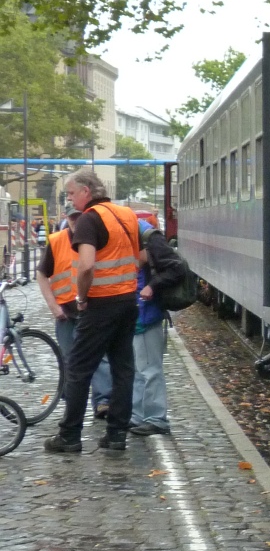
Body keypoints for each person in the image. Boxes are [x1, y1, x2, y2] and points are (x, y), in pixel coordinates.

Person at [43, 170, 141, 454]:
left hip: (100, 304)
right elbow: (140, 257)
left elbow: (86, 265)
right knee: (123, 369)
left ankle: (69, 435)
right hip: (127, 302)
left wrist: (81, 297)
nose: (70, 199)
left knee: (78, 368)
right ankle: (116, 435)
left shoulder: (89, 219)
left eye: (71, 193)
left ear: (86, 191)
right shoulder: (127, 215)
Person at [37, 205, 113, 419]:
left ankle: (103, 401)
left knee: (100, 357)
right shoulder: (57, 241)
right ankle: (72, 403)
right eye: (73, 218)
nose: (77, 222)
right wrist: (54, 307)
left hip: (92, 310)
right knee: (70, 360)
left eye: (80, 217)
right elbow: (41, 275)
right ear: (66, 218)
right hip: (66, 314)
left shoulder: (96, 237)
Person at [128, 217, 183, 436]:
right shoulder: (138, 234)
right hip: (137, 313)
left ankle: (155, 418)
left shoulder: (148, 237)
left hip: (146, 313)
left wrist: (152, 286)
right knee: (139, 368)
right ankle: (139, 415)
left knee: (149, 368)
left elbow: (176, 268)